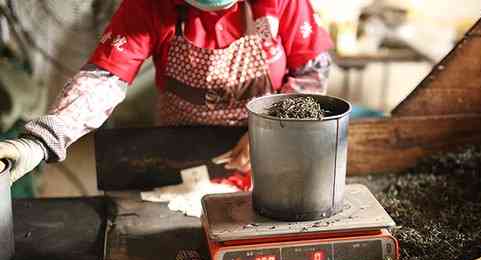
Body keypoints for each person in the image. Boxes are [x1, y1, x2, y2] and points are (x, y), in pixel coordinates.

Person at [0, 0, 333, 183]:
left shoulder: (283, 3)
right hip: (177, 153)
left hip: (265, 156)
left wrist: (272, 131)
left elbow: (311, 72)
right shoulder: (149, 5)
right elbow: (105, 79)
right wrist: (41, 140)